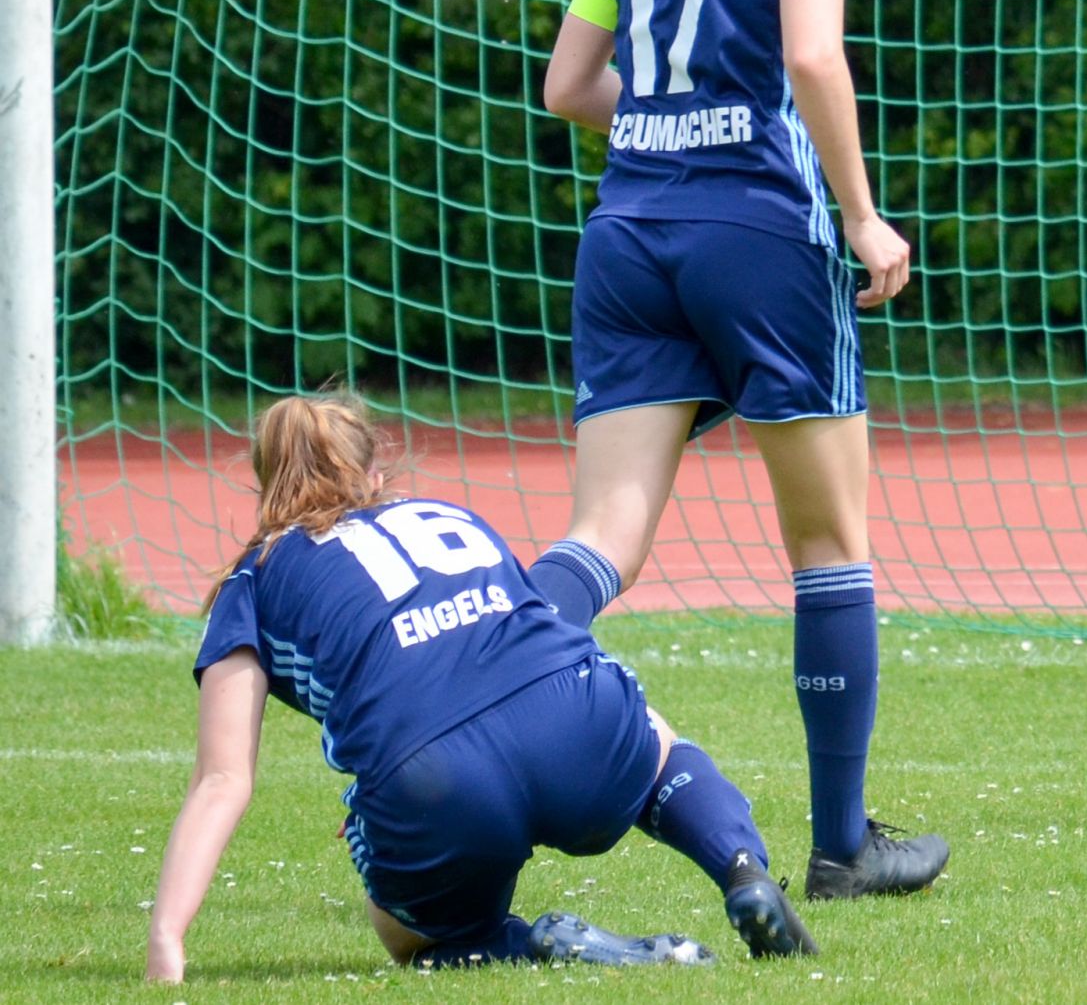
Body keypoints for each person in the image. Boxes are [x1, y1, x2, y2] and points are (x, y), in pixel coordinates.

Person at [534, 0, 945, 898]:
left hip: (628, 235)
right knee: (827, 540)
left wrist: (668, 120)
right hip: (757, 236)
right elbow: (812, 53)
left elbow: (568, 86)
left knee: (604, 538)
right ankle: (843, 845)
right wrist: (862, 213)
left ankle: (459, 677)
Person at [146, 393, 815, 979]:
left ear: (267, 488)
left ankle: (531, 947)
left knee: (402, 930)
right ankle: (742, 869)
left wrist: (166, 939)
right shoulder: (442, 512)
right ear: (373, 476)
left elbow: (222, 780)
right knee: (656, 741)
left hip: (435, 782)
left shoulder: (255, 575)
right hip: (574, 720)